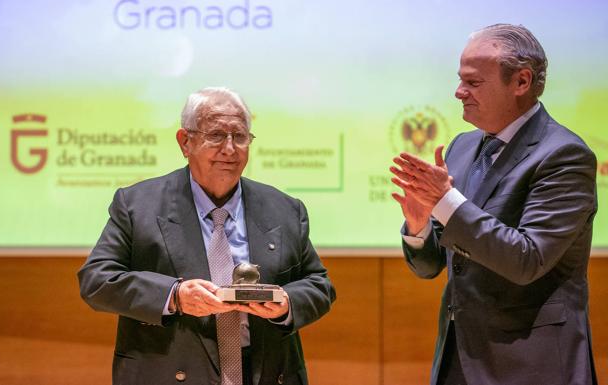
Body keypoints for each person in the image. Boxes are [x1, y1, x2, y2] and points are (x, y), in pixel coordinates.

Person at [78, 87, 336, 385]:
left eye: (239, 136)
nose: (230, 148)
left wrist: (286, 304)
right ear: (185, 142)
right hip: (169, 372)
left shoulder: (284, 209)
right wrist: (175, 296)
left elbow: (319, 285)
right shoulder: (138, 205)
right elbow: (96, 280)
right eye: (216, 135)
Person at [389, 24, 598, 385]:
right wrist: (420, 227)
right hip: (459, 359)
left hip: (532, 363)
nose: (458, 92)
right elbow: (431, 266)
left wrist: (446, 201)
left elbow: (527, 259)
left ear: (521, 82)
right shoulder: (461, 147)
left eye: (473, 82)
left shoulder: (564, 155)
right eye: (460, 79)